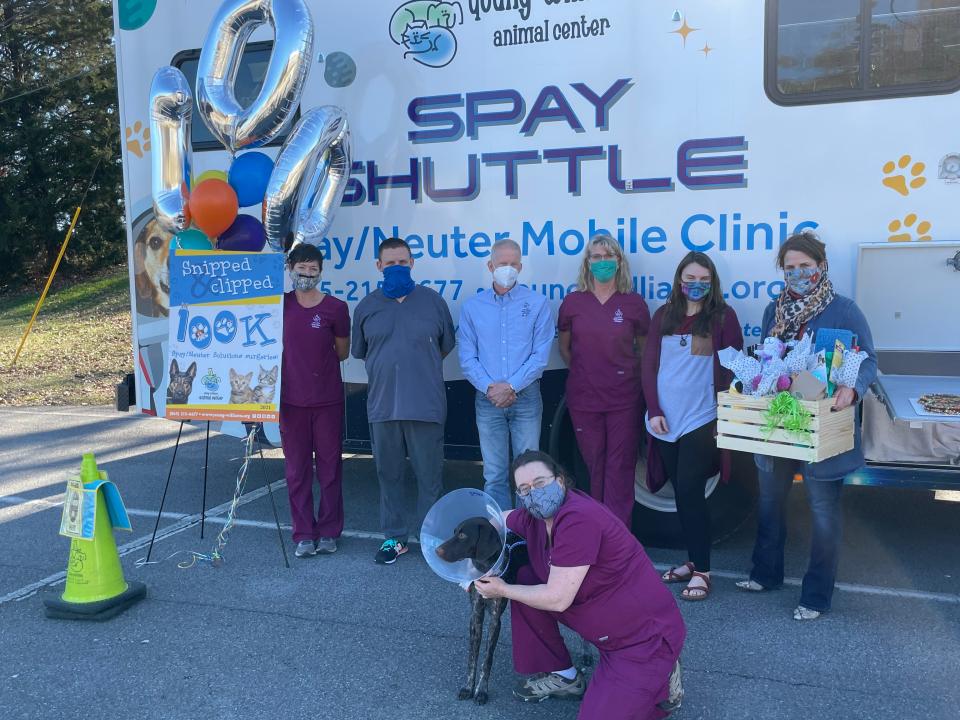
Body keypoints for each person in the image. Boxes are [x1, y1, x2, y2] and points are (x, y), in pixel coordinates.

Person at [475, 450, 685, 720]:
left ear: (560, 480)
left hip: (641, 639)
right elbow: (503, 518)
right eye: (524, 489)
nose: (533, 494)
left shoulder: (578, 518)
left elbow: (557, 599)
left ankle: (664, 671)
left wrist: (500, 589)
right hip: (602, 621)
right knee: (527, 579)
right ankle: (563, 676)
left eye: (540, 483)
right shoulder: (535, 518)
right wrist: (475, 552)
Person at [736, 230, 877, 620]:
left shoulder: (844, 310)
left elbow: (868, 359)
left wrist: (852, 387)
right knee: (769, 502)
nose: (798, 274)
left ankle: (815, 596)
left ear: (821, 266)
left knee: (822, 511)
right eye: (790, 268)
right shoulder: (774, 310)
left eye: (805, 267)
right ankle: (765, 575)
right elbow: (767, 359)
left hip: (822, 427)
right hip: (779, 424)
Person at [642, 252, 743, 601]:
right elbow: (649, 365)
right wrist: (653, 409)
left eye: (703, 279)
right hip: (665, 420)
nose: (696, 285)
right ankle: (691, 559)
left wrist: (724, 414)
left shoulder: (723, 318)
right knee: (680, 491)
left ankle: (702, 570)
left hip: (702, 418)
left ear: (712, 281)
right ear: (679, 280)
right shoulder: (663, 315)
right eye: (690, 278)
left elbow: (734, 368)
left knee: (689, 489)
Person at [352, 238, 456, 565]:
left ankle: (431, 538)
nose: (397, 267)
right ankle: (394, 539)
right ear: (379, 266)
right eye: (390, 262)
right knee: (388, 473)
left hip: (425, 404)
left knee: (430, 476)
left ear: (412, 263)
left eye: (402, 261)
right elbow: (360, 351)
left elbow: (445, 345)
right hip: (383, 407)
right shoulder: (366, 307)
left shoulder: (433, 302)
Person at [557, 234, 650, 527]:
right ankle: (596, 533)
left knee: (620, 467)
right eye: (596, 257)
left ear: (619, 261)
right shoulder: (573, 302)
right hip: (585, 398)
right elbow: (565, 348)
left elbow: (644, 349)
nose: (602, 262)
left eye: (608, 256)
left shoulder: (633, 304)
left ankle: (619, 536)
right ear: (587, 262)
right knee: (595, 466)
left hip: (624, 398)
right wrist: (589, 373)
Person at [457, 238, 554, 511]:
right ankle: (502, 535)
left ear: (521, 267)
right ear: (490, 265)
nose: (507, 269)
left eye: (513, 264)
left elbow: (540, 356)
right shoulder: (472, 308)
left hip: (526, 399)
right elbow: (467, 358)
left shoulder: (537, 304)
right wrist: (491, 388)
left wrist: (510, 386)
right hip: (487, 401)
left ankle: (528, 537)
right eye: (502, 264)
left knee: (530, 475)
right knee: (495, 475)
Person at [279, 243, 350, 558]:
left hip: (327, 401)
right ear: (290, 269)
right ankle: (304, 534)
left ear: (321, 272)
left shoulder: (336, 308)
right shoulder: (277, 305)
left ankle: (329, 532)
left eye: (313, 269)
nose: (307, 274)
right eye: (301, 268)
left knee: (330, 469)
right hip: (289, 402)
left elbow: (343, 352)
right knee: (296, 470)